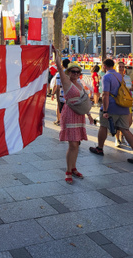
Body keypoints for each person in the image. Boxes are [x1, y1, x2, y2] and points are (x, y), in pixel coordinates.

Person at [54, 46, 90, 184]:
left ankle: (73, 168)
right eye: (73, 71)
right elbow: (58, 66)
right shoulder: (66, 81)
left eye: (78, 72)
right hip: (69, 114)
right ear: (68, 72)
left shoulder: (80, 83)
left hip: (79, 115)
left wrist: (89, 115)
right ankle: (68, 171)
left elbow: (83, 101)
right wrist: (56, 54)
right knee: (73, 144)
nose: (75, 73)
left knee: (77, 144)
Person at [89, 58, 133, 164]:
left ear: (104, 66)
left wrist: (105, 110)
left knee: (103, 127)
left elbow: (105, 95)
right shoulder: (120, 76)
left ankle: (100, 148)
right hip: (123, 107)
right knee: (126, 130)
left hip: (112, 107)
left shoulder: (106, 76)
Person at [114, 61, 133, 147]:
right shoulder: (113, 77)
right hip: (118, 102)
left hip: (127, 102)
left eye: (122, 66)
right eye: (119, 67)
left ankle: (123, 136)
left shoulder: (127, 77)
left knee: (129, 121)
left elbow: (130, 88)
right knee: (118, 121)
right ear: (116, 68)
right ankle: (117, 139)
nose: (121, 68)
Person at [51, 58, 70, 126]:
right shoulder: (72, 73)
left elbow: (56, 86)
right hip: (70, 96)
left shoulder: (59, 74)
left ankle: (59, 120)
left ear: (62, 65)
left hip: (61, 96)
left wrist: (53, 94)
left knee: (59, 108)